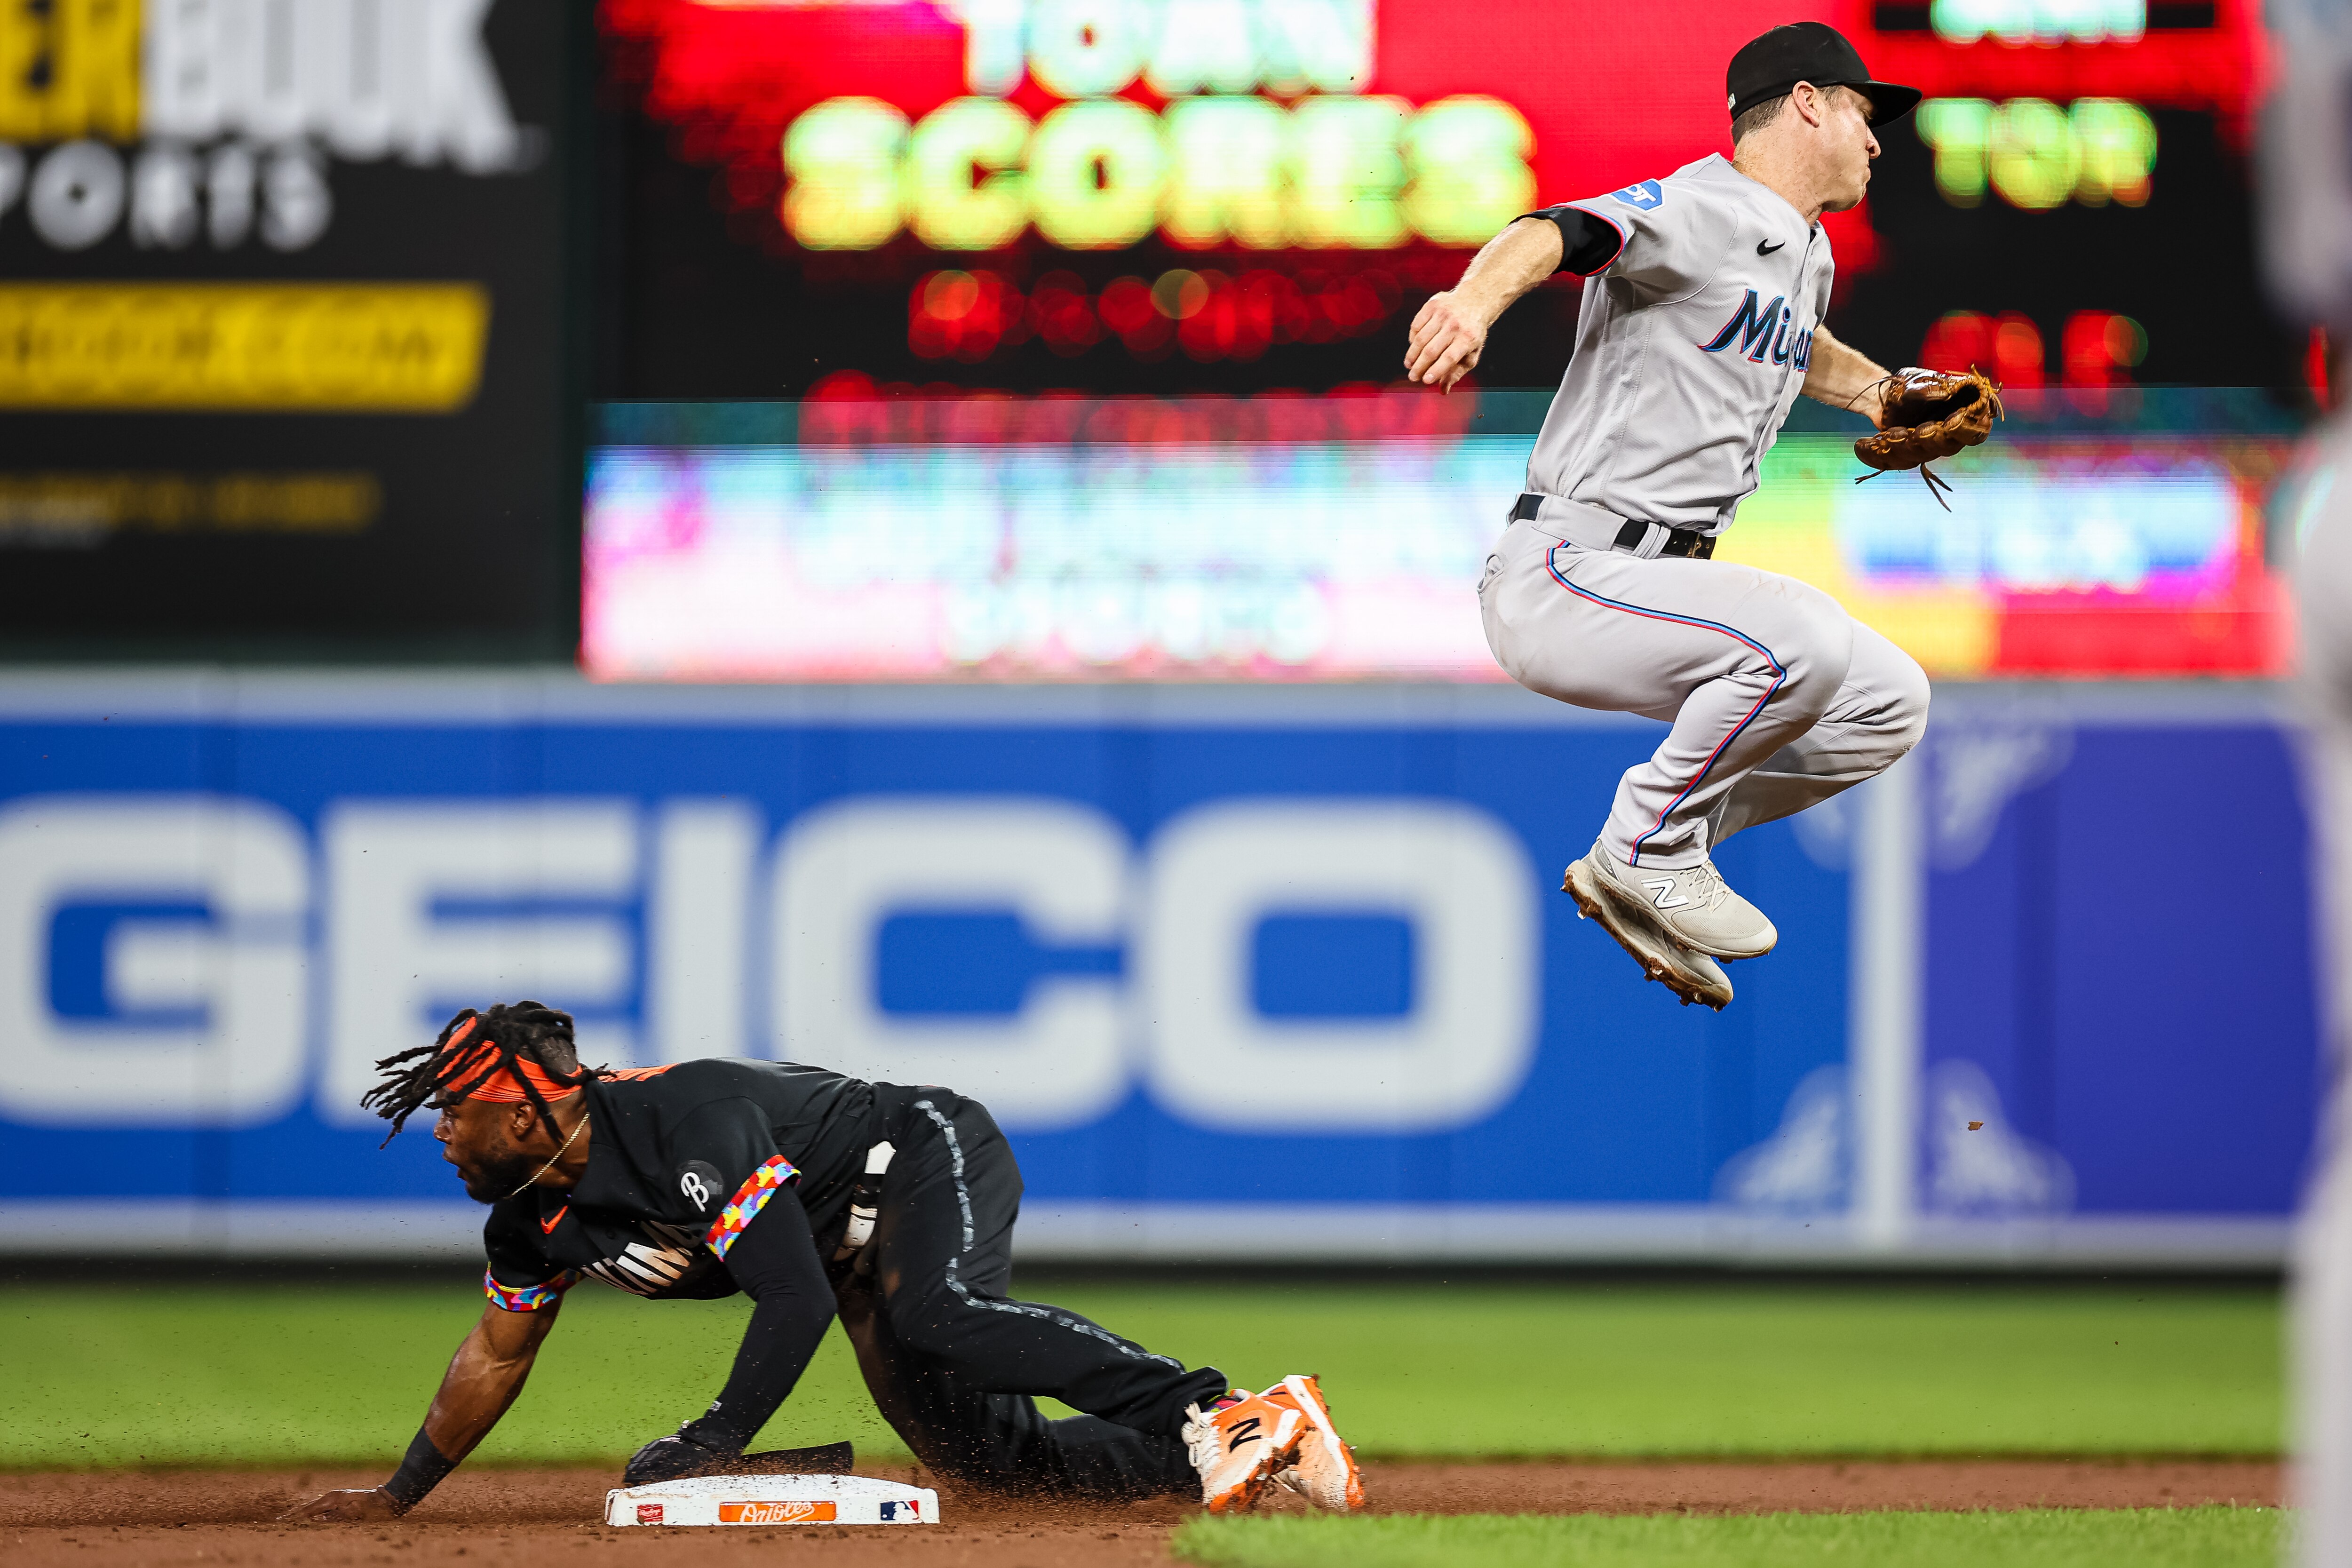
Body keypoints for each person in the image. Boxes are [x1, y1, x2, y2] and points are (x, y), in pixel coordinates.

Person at [282, 1001, 1363, 1520]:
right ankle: (1250, 1461)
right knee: (987, 1466)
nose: (440, 1128)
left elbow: (791, 1294)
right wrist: (397, 1494)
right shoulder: (528, 1218)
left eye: (454, 1109)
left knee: (937, 1310)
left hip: (919, 1149)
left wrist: (714, 1436)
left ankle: (1224, 1409)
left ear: (521, 1113)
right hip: (844, 1247)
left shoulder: (686, 1124)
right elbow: (495, 1354)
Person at [1404, 21, 1932, 1011]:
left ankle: (1651, 859)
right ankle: (1646, 838)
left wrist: (1878, 393)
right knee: (1802, 636)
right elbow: (1553, 231)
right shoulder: (1704, 205)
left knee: (1888, 700)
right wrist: (1472, 303)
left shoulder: (1800, 251)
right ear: (1808, 101)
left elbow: (1793, 339)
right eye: (1864, 112)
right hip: (1568, 570)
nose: (1874, 141)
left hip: (1652, 581)